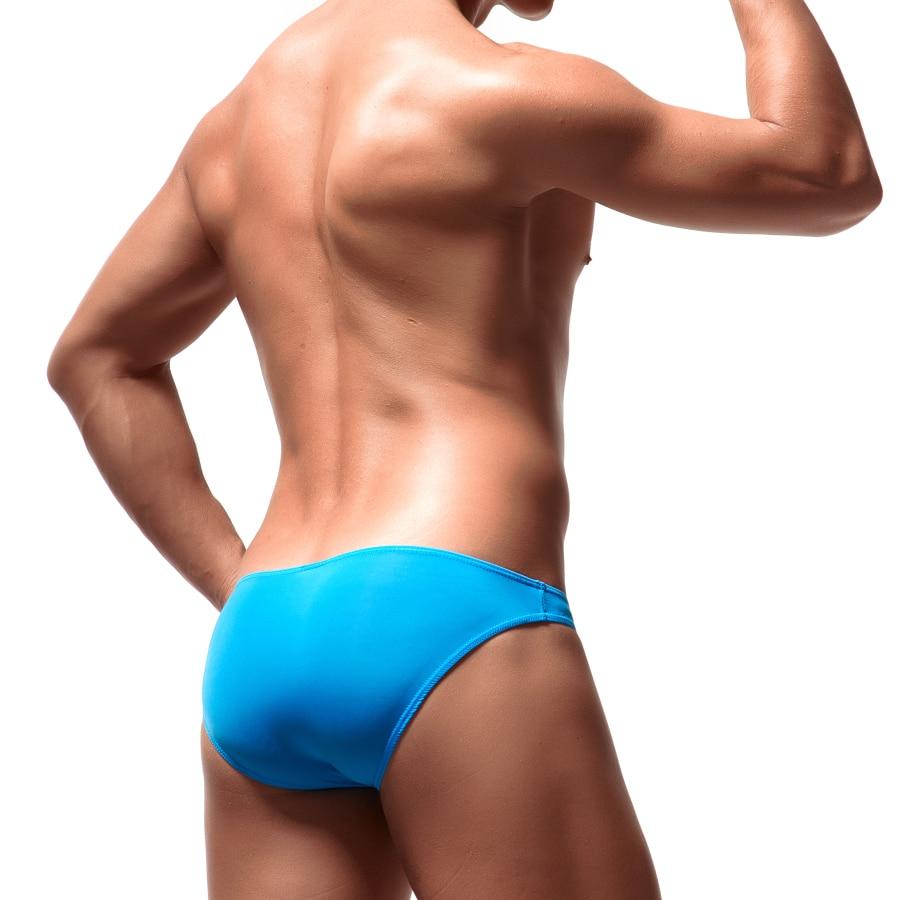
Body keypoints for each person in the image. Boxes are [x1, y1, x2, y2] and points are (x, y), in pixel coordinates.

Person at [46, 0, 881, 897]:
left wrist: (237, 583)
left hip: (268, 630)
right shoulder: (509, 94)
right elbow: (823, 169)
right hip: (455, 611)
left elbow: (95, 359)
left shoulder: (236, 127)